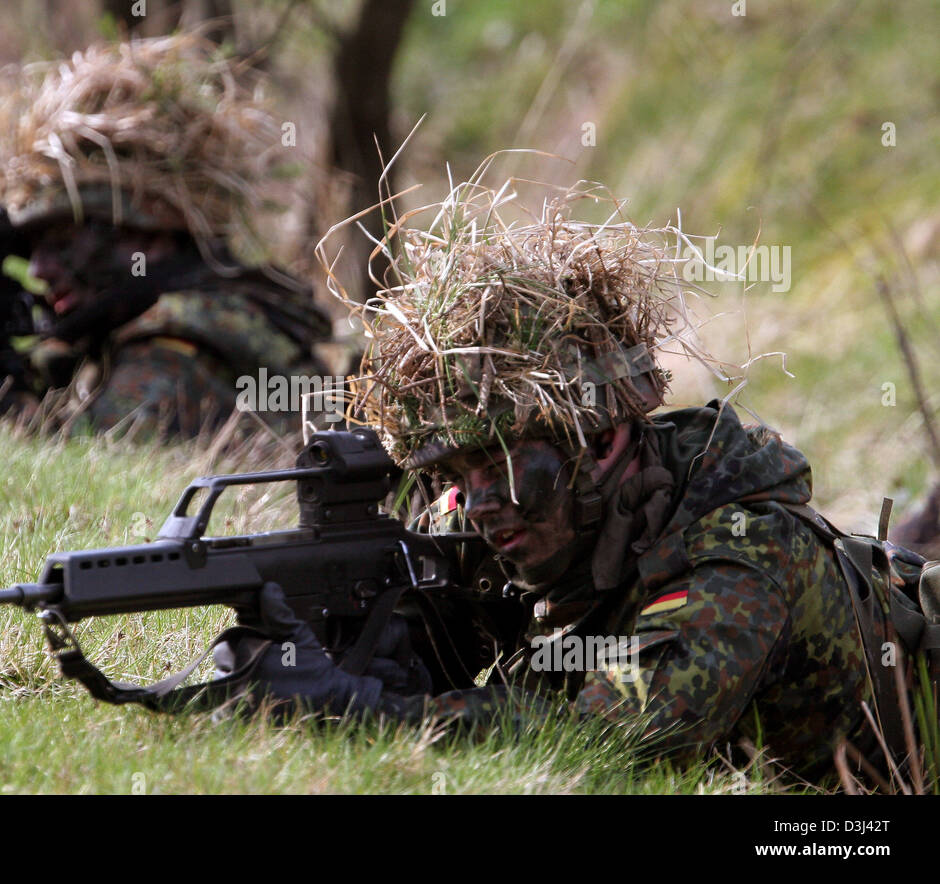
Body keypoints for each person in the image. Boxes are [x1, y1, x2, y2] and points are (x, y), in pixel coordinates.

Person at [223, 175, 926, 783]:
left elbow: (612, 743)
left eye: (506, 468)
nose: (481, 506)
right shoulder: (483, 518)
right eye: (458, 476)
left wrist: (373, 714)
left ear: (603, 443)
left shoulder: (743, 546)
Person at [0, 33, 331, 438]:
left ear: (151, 240)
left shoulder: (171, 348)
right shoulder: (131, 320)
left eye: (66, 244)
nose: (39, 269)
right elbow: (51, 375)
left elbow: (87, 453)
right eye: (35, 249)